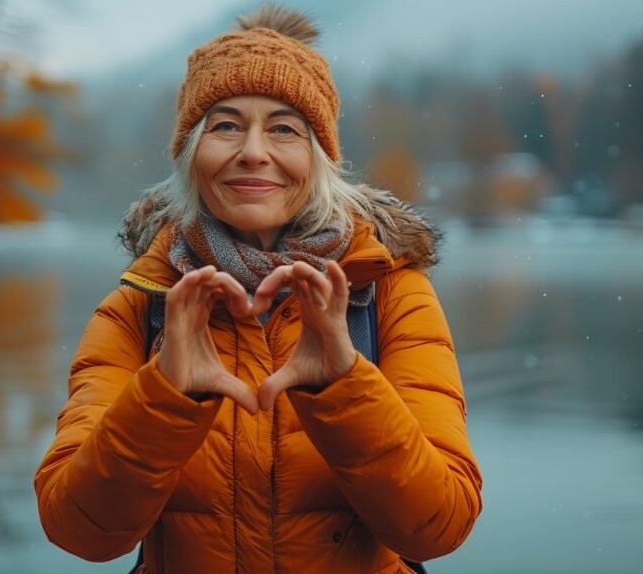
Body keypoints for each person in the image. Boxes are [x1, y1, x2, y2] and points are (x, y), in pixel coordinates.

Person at [35, 5, 482, 572]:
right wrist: (166, 398)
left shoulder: (391, 295)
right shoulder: (142, 304)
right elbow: (80, 532)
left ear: (318, 158)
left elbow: (438, 527)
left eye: (283, 129)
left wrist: (345, 390)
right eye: (224, 125)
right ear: (191, 155)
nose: (252, 150)